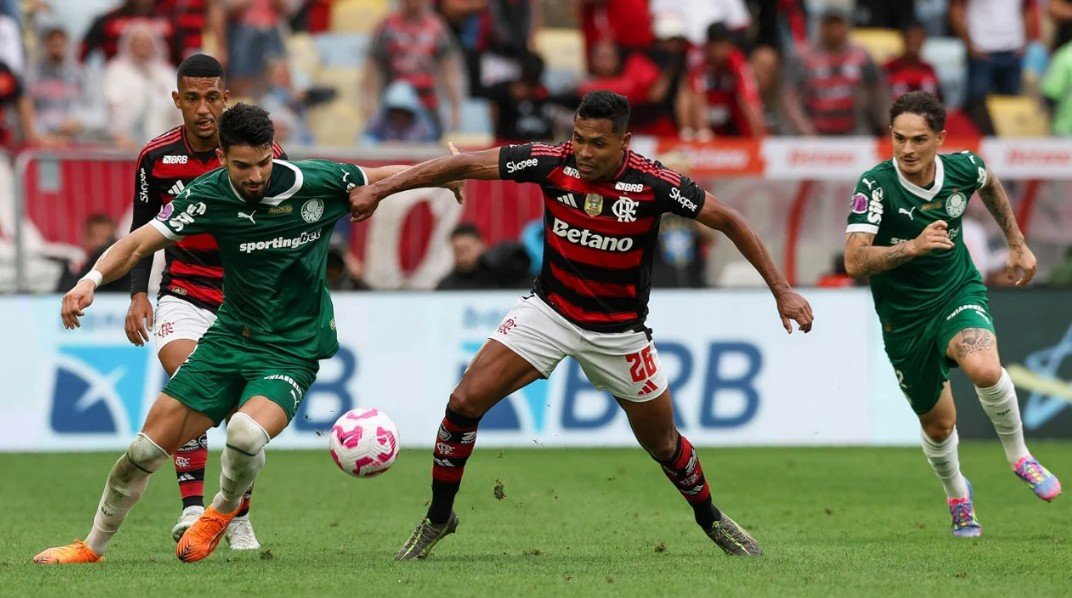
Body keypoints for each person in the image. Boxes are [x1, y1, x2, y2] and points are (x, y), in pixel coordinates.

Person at [350, 90, 814, 559]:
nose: (584, 152)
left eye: (597, 143)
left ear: (623, 143)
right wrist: (383, 189)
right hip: (550, 313)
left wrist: (782, 290)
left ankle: (709, 517)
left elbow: (730, 219)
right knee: (463, 403)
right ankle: (439, 518)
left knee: (664, 443)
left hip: (620, 335)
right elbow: (465, 164)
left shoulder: (653, 183)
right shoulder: (552, 162)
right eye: (578, 139)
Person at [34, 102, 461, 565]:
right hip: (228, 340)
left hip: (291, 351)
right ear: (221, 158)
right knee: (140, 453)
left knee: (243, 433)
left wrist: (447, 173)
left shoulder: (314, 181)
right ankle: (91, 546)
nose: (256, 176)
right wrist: (90, 281)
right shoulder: (208, 196)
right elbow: (140, 241)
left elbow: (383, 175)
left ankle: (220, 510)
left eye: (263, 163)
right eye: (243, 166)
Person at [843, 91, 1060, 538]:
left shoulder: (963, 167)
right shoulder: (875, 185)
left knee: (984, 367)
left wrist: (1017, 243)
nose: (906, 149)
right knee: (939, 424)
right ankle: (958, 493)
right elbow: (854, 261)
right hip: (903, 317)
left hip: (956, 290)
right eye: (898, 138)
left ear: (939, 138)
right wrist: (914, 246)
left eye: (918, 139)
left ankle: (1020, 456)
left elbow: (990, 183)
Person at [123, 54, 284, 551]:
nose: (202, 109)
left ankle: (234, 513)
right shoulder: (156, 158)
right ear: (177, 100)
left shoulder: (261, 152)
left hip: (245, 302)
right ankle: (193, 506)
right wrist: (136, 293)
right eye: (191, 98)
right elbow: (141, 232)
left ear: (225, 97)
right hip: (183, 294)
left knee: (241, 415)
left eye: (212, 97)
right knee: (192, 381)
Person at [56, 214, 131, 293]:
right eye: (94, 237)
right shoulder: (72, 269)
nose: (99, 243)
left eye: (106, 239)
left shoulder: (124, 271)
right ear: (85, 238)